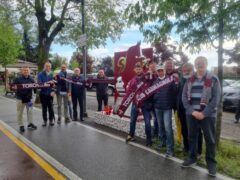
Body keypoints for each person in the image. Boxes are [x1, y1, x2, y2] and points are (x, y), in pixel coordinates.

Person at [181, 56, 221, 177]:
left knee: (210, 140)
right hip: (192, 114)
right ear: (195, 65)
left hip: (208, 116)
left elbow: (216, 98)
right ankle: (192, 158)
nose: (199, 65)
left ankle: (211, 164)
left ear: (206, 63)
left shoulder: (213, 78)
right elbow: (184, 97)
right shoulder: (189, 80)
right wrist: (192, 112)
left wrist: (204, 113)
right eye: (197, 63)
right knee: (192, 137)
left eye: (202, 63)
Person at [177, 63, 203, 156]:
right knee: (184, 129)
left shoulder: (197, 80)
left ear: (193, 70)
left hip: (193, 110)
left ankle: (198, 151)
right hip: (182, 110)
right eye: (184, 70)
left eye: (188, 70)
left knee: (196, 131)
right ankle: (187, 148)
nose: (186, 72)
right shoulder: (181, 80)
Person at [153, 65, 178, 157]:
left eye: (161, 70)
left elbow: (175, 92)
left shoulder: (170, 80)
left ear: (164, 71)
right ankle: (162, 143)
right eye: (158, 71)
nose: (160, 72)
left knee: (168, 128)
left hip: (167, 108)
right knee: (160, 126)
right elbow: (152, 94)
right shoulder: (155, 81)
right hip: (158, 107)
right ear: (157, 72)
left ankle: (170, 149)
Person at [13, 66, 37, 132]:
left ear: (29, 71)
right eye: (24, 70)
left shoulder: (31, 79)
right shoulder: (17, 79)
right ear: (22, 71)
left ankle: (30, 123)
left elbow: (35, 86)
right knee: (20, 112)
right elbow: (12, 86)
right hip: (20, 98)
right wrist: (13, 88)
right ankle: (21, 125)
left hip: (29, 99)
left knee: (30, 111)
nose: (26, 71)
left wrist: (35, 94)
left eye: (27, 70)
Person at [126, 63, 145, 142]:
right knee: (132, 120)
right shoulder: (133, 80)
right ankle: (131, 135)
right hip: (135, 103)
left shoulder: (146, 78)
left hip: (144, 103)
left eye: (139, 69)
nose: (138, 70)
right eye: (137, 69)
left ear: (142, 69)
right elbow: (129, 91)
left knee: (147, 121)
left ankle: (150, 138)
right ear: (134, 70)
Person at [38, 62, 55, 126]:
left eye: (49, 66)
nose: (48, 68)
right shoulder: (40, 74)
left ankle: (51, 120)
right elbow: (39, 84)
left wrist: (53, 91)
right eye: (47, 66)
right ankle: (45, 120)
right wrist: (48, 82)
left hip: (50, 94)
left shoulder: (52, 74)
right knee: (44, 108)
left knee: (50, 108)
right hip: (43, 94)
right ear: (44, 67)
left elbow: (55, 84)